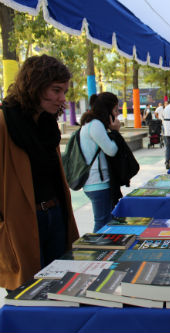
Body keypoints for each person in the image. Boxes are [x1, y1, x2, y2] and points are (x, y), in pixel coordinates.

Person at [0, 54, 79, 290]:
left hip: (55, 217)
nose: (61, 98)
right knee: (27, 294)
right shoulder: (4, 123)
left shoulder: (47, 125)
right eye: (56, 90)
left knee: (61, 288)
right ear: (34, 86)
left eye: (64, 91)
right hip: (19, 226)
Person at [79, 92, 121, 233]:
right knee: (102, 222)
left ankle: (103, 249)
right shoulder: (96, 125)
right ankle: (97, 248)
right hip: (97, 182)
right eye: (115, 110)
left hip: (96, 182)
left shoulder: (90, 123)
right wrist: (115, 131)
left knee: (106, 220)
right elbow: (111, 150)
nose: (117, 113)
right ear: (108, 109)